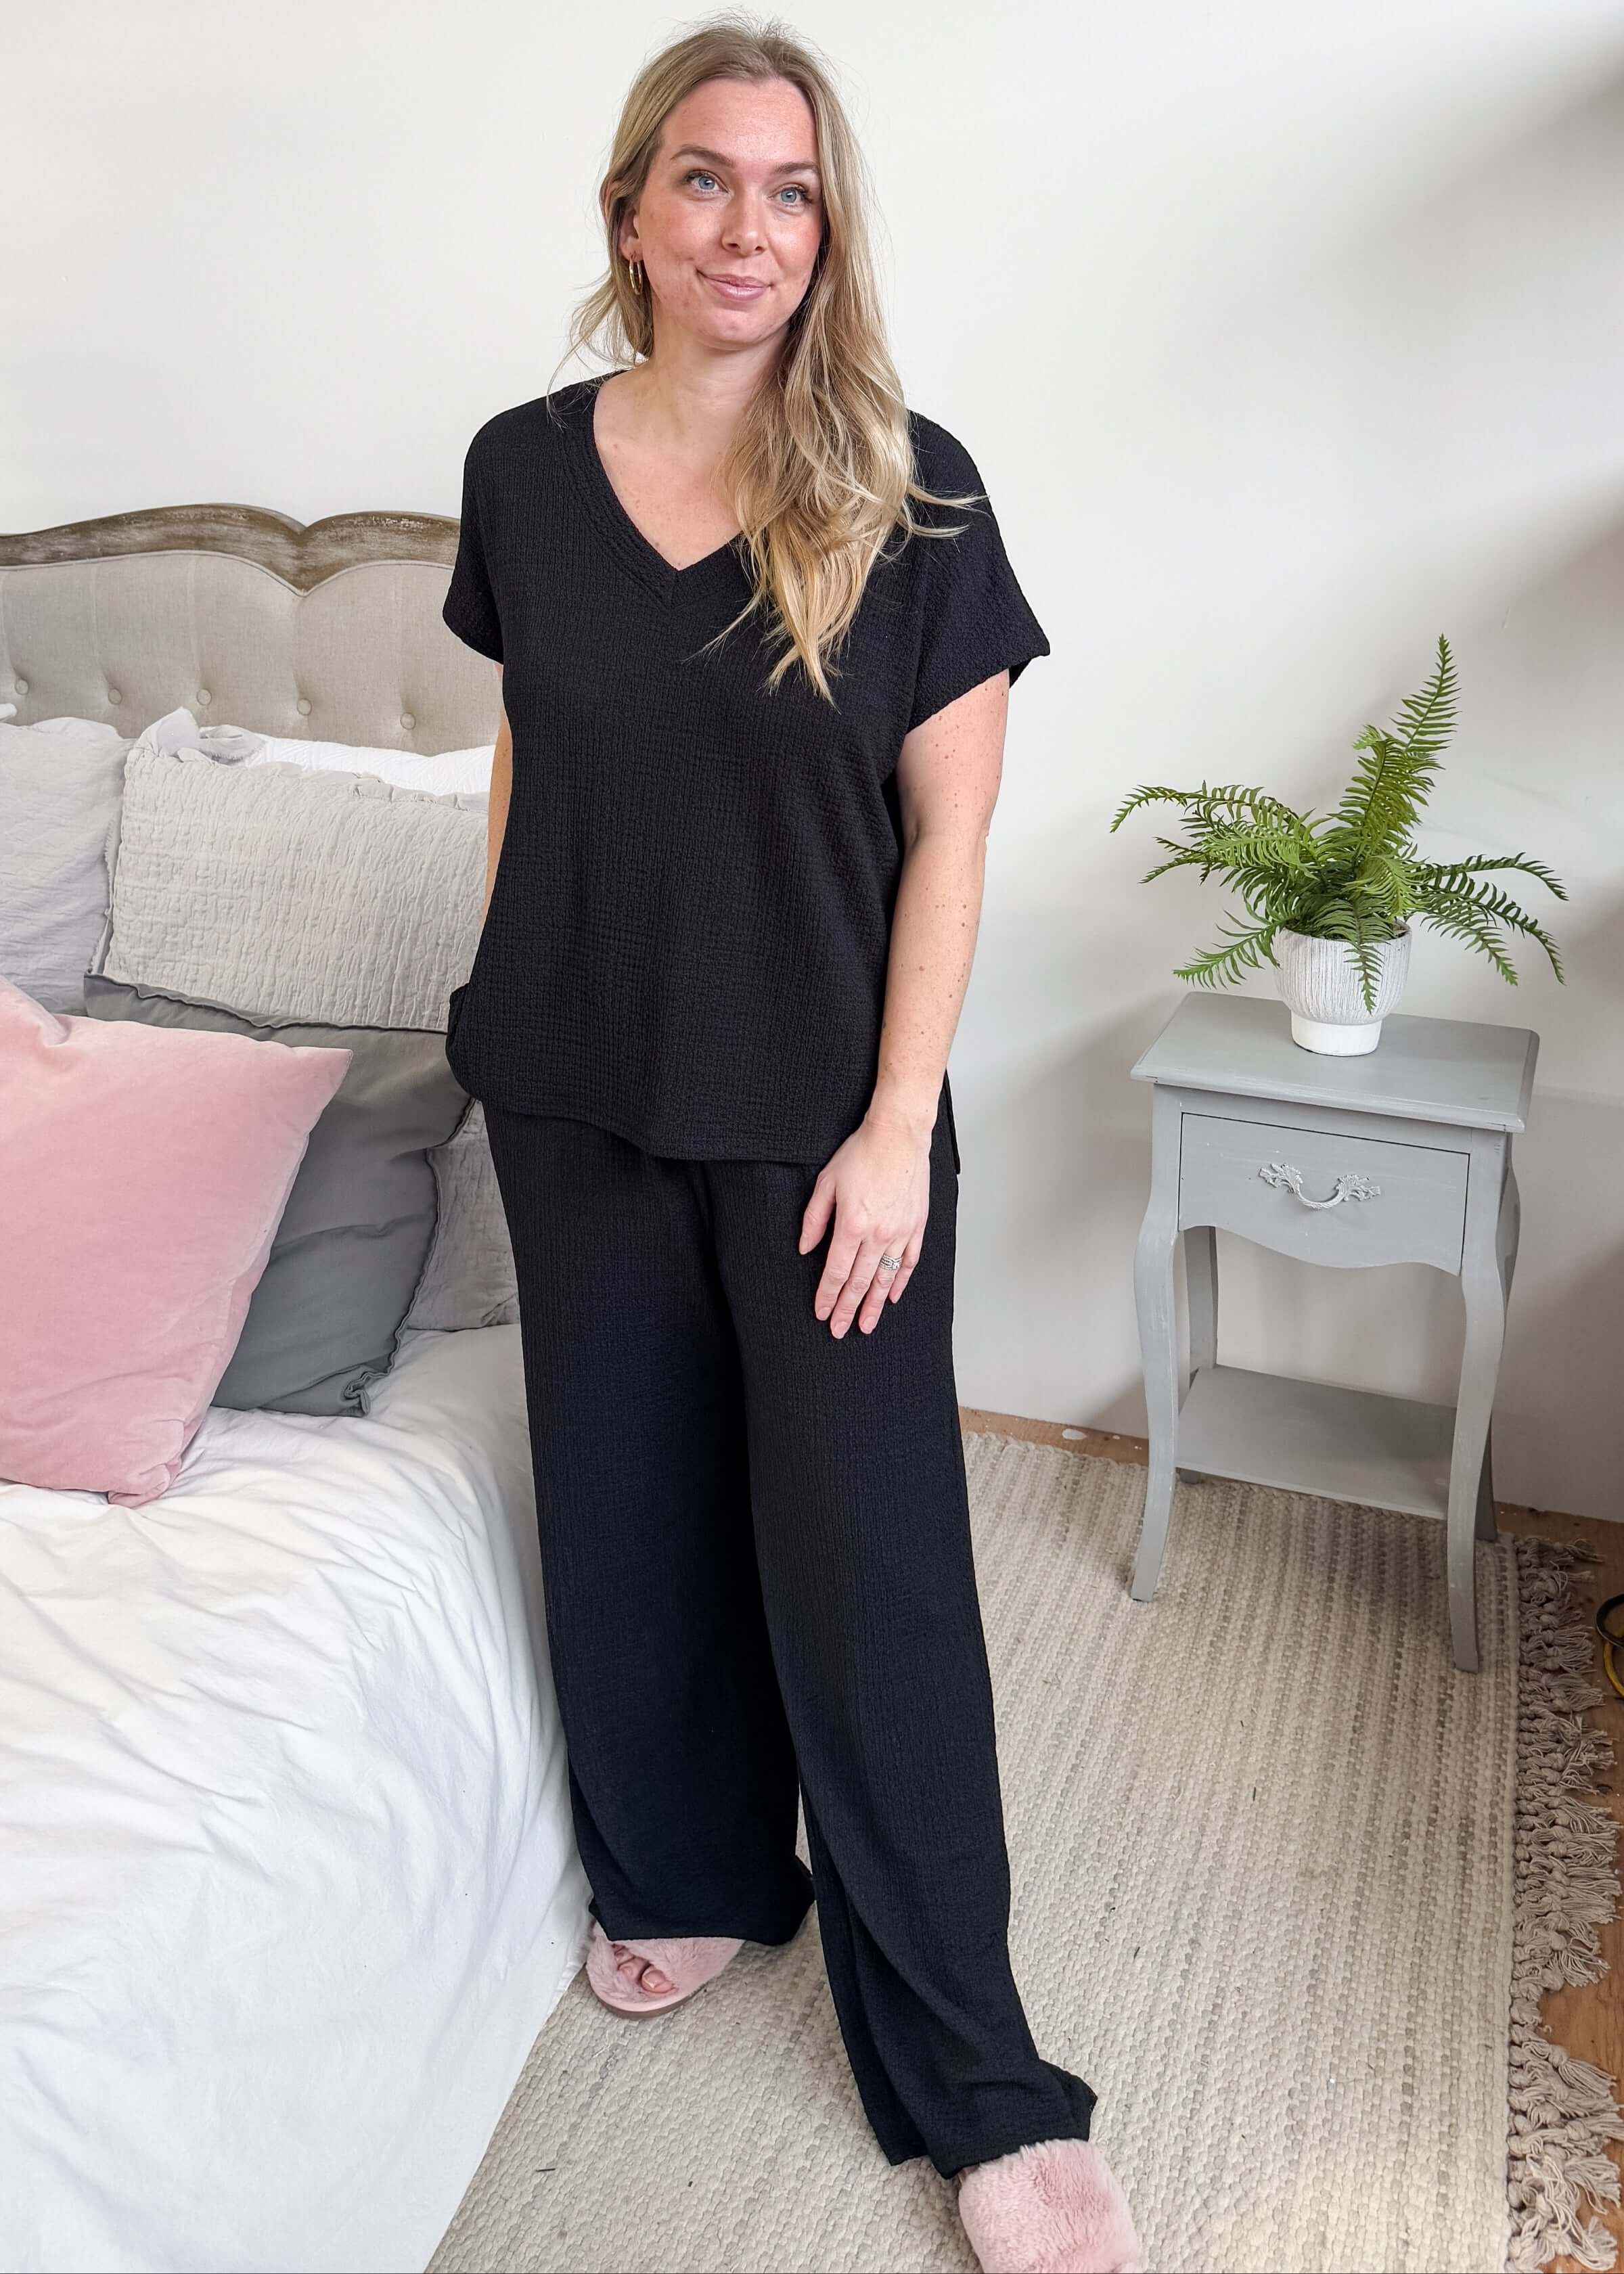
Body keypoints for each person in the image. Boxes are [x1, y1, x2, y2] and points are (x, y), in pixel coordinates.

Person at [440, 15, 1144, 2272]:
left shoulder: (912, 492)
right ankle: (698, 1869)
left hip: (826, 1127)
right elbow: (535, 749)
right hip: (575, 1083)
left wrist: (900, 1126)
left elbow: (954, 837)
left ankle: (981, 2084)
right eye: (708, 179)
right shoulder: (521, 468)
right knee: (628, 1510)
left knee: (873, 1577)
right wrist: (507, 985)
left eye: (793, 189)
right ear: (632, 211)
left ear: (829, 233)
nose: (750, 227)